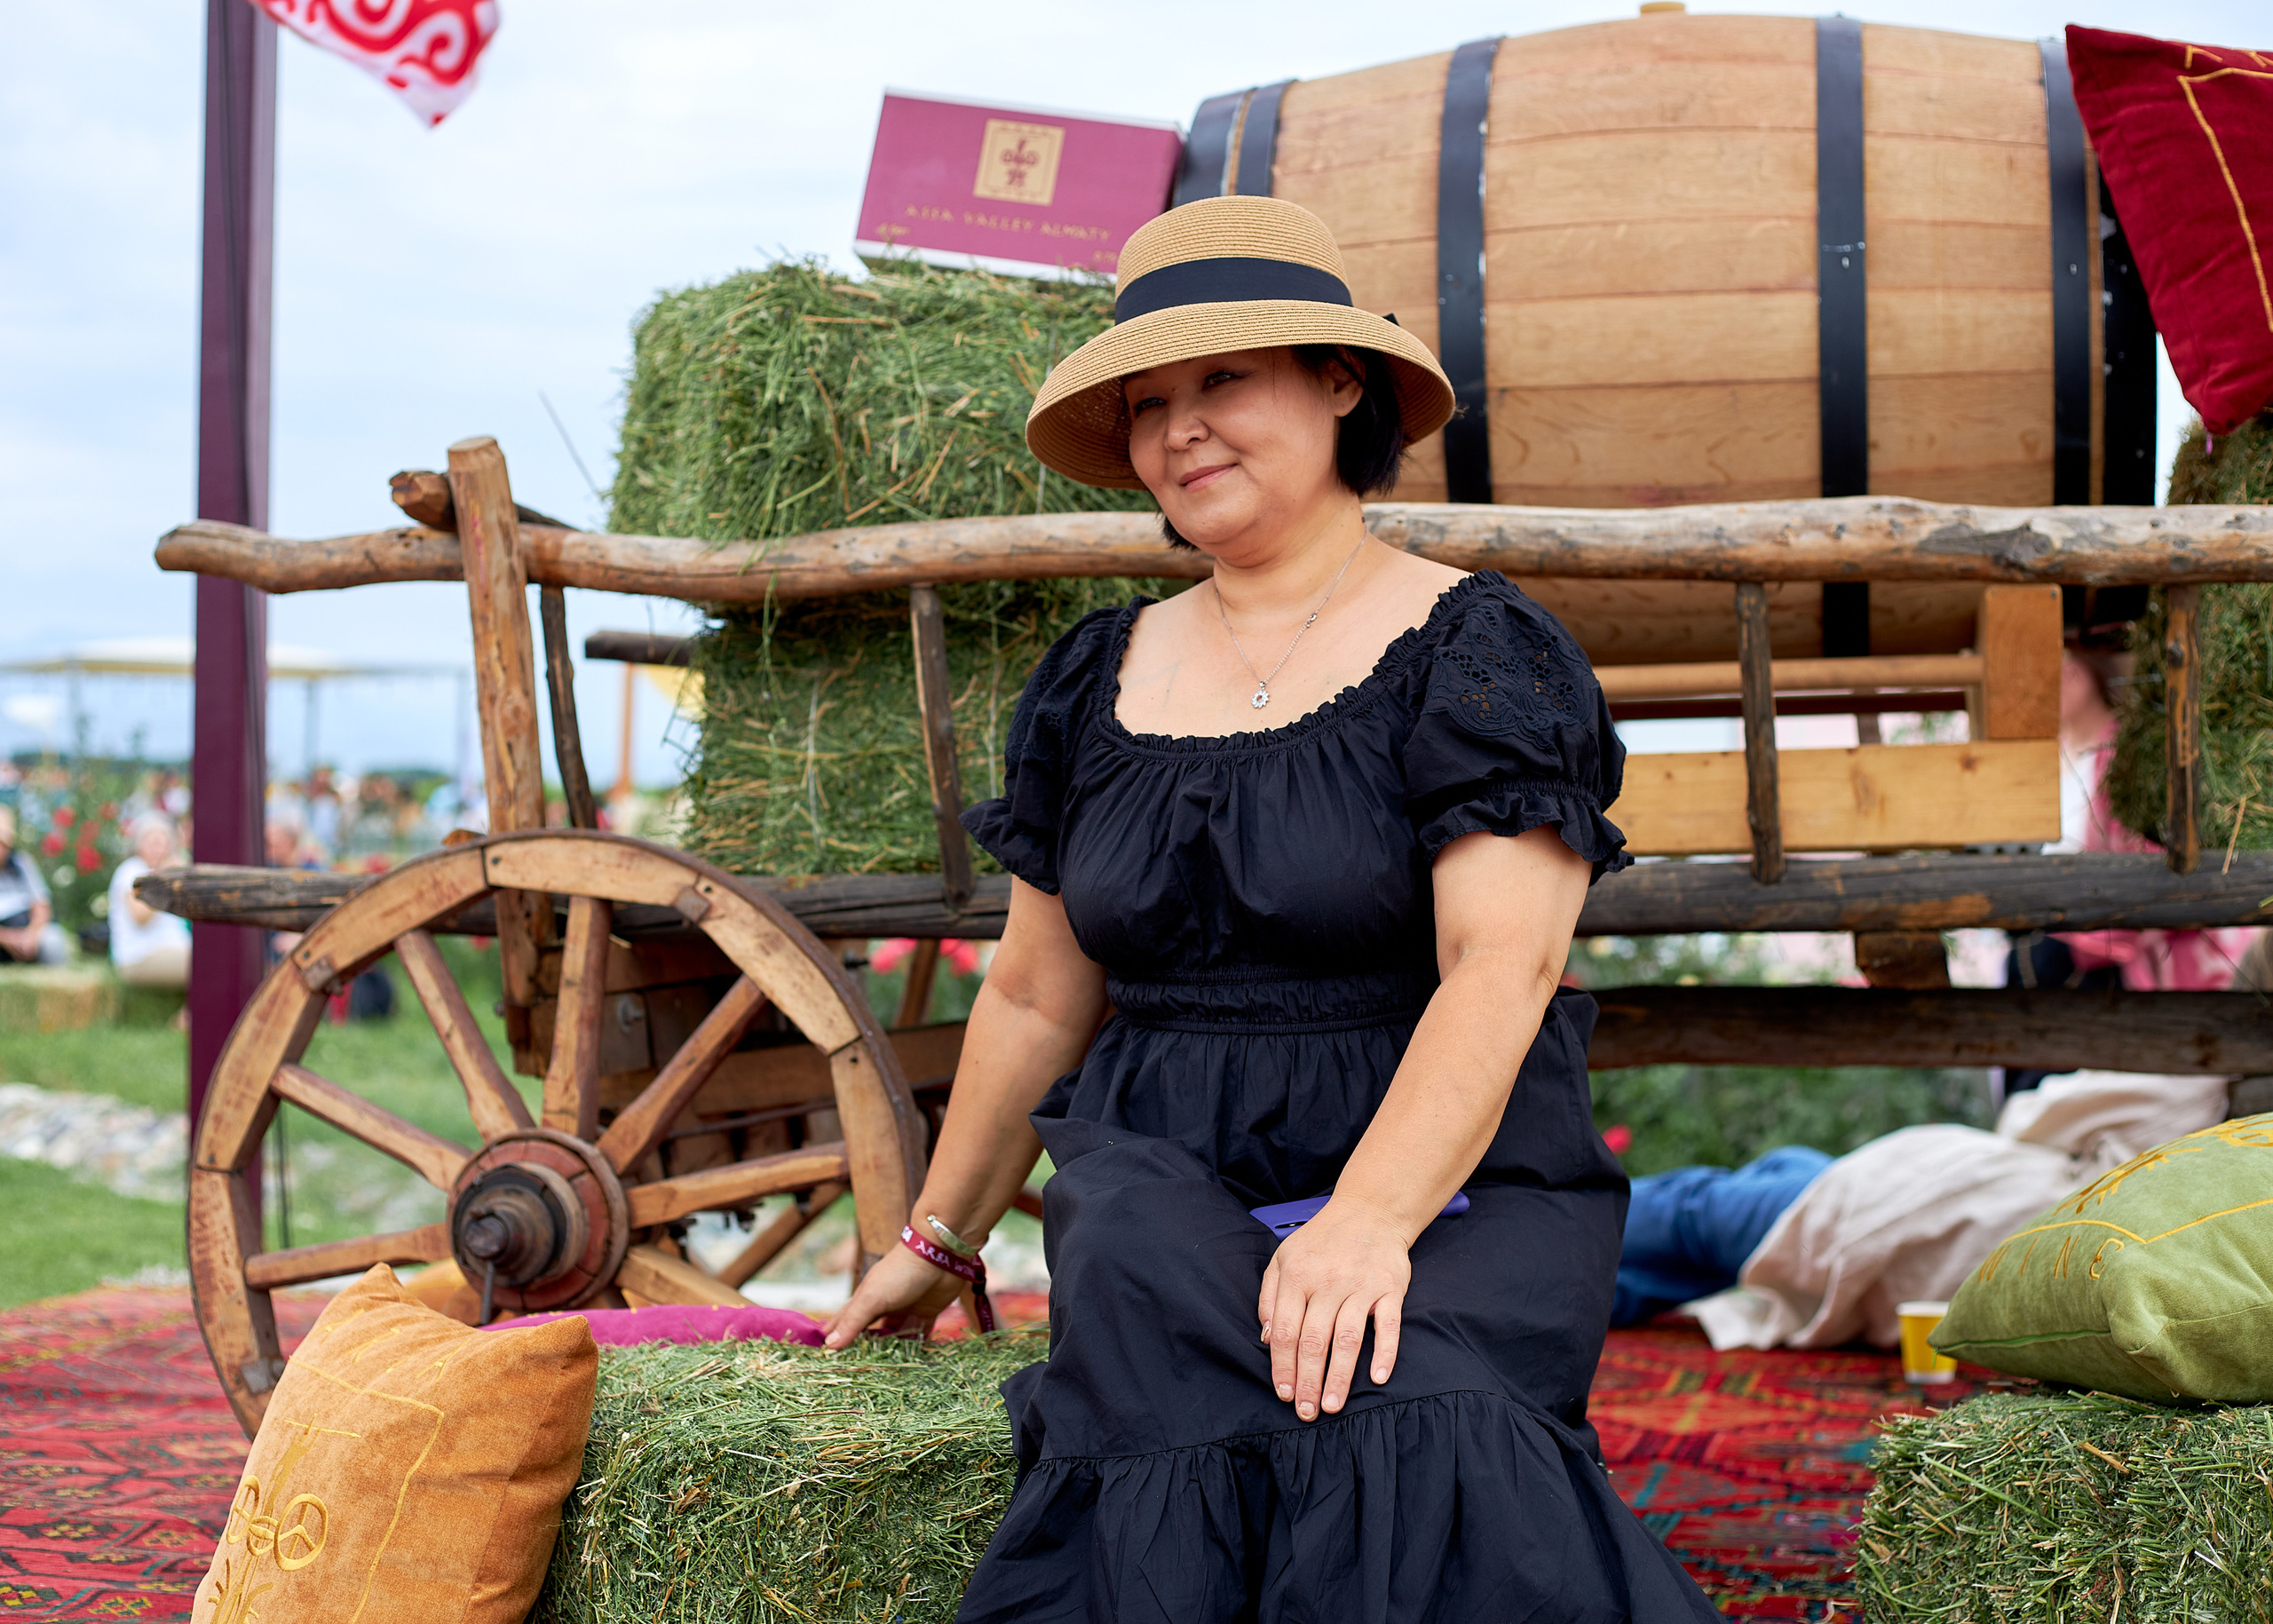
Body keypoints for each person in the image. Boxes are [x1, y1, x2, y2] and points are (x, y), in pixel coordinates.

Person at [820, 197, 1717, 1622]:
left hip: (1444, 1169)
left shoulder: (1477, 649)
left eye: (1223, 381)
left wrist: (1365, 1223)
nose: (1181, 429)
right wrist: (934, 1244)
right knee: (1164, 1355)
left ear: (1339, 382)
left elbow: (1505, 962)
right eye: (1149, 403)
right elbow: (1041, 997)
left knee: (1416, 1413)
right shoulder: (1090, 677)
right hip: (1165, 1167)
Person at [108, 812, 191, 988]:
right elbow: (140, 918)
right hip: (139, 956)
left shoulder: (164, 873)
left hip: (174, 949)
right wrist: (162, 879)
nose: (159, 849)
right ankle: (187, 1016)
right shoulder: (131, 871)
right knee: (202, 965)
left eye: (164, 844)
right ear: (140, 845)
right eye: (154, 843)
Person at [0, 804, 69, 966]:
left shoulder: (22, 863)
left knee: (53, 939)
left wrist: (30, 935)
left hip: (26, 932)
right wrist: (7, 938)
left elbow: (42, 906)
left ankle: (56, 986)